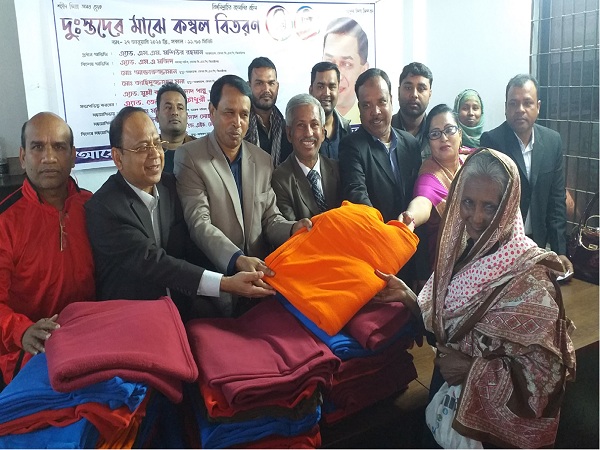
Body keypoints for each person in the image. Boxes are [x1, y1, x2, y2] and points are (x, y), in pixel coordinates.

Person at [376, 149, 576, 448]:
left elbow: (545, 377)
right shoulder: (462, 253)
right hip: (445, 402)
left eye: (490, 206)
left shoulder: (531, 278)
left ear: (508, 206)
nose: (477, 218)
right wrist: (410, 298)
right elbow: (448, 331)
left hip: (489, 435)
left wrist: (472, 370)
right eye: (468, 202)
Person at [85, 107, 276, 321]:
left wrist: (236, 263)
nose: (155, 154)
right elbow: (154, 263)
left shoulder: (170, 186)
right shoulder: (104, 208)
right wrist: (225, 284)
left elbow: (191, 247)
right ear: (117, 157)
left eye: (157, 143)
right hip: (134, 317)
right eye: (142, 147)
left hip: (182, 308)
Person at [174, 75, 311, 316]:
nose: (237, 123)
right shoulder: (190, 157)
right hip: (217, 285)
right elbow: (199, 224)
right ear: (212, 111)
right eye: (229, 113)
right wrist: (237, 259)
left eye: (244, 115)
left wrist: (293, 229)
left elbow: (271, 219)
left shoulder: (262, 160)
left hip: (261, 282)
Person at [0, 112, 95, 386]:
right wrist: (22, 330)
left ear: (73, 156)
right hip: (30, 354)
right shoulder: (5, 221)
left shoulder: (94, 208)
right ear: (22, 157)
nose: (49, 157)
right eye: (38, 147)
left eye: (59, 147)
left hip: (90, 342)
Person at [480, 74, 574, 278]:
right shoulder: (492, 142)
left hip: (537, 244)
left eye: (527, 103)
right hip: (501, 249)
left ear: (538, 107)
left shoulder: (552, 142)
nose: (520, 109)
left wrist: (559, 251)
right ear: (506, 108)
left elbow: (556, 200)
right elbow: (488, 203)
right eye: (513, 103)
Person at [338, 67, 421, 224]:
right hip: (376, 233)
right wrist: (386, 232)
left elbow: (419, 192)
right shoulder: (351, 147)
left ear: (391, 100)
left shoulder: (411, 143)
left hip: (413, 233)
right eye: (367, 105)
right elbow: (357, 196)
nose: (375, 112)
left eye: (381, 101)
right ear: (359, 109)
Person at [401, 104, 472, 272]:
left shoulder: (472, 160)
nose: (443, 138)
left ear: (460, 134)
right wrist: (410, 217)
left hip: (480, 262)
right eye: (435, 133)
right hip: (447, 270)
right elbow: (422, 201)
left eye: (449, 130)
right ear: (429, 143)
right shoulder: (430, 176)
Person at [272, 94, 342, 221]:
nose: (308, 133)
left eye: (314, 124)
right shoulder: (280, 180)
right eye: (301, 125)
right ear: (289, 133)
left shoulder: (338, 169)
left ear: (323, 132)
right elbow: (294, 228)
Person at [244, 56, 293, 167]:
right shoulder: (241, 125)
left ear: (277, 87)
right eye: (259, 83)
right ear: (249, 86)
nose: (266, 89)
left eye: (271, 83)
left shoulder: (286, 127)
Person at [322, 17, 369, 126]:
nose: (336, 77)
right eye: (329, 62)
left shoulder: (373, 121)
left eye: (346, 64)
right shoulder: (306, 121)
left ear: (363, 70)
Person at [308, 61, 351, 160]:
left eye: (332, 87)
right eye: (320, 87)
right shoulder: (302, 131)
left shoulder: (346, 129)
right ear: (311, 90)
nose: (326, 93)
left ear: (338, 90)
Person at [391, 62, 433, 160]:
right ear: (398, 92)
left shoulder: (436, 133)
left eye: (421, 89)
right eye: (408, 88)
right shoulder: (385, 130)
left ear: (429, 95)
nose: (414, 94)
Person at [155, 81, 197, 173]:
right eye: (168, 107)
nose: (175, 112)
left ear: (187, 115)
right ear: (157, 115)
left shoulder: (201, 150)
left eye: (180, 108)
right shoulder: (149, 153)